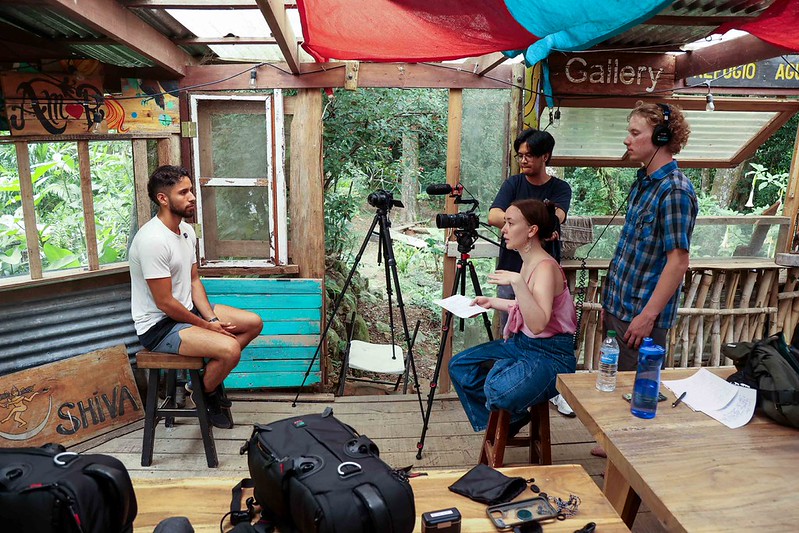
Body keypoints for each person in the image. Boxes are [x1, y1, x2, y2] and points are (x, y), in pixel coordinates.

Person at [129, 165, 263, 429]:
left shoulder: (187, 231)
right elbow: (164, 303)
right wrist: (206, 326)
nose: (192, 197)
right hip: (159, 326)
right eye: (183, 192)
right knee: (230, 349)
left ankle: (198, 385)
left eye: (191, 190)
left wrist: (211, 318)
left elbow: (193, 280)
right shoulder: (152, 240)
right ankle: (207, 393)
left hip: (188, 311)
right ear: (163, 199)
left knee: (253, 323)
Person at [448, 199, 577, 434]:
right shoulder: (528, 262)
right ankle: (513, 419)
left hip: (551, 354)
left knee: (496, 389)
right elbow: (528, 307)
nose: (503, 229)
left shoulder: (546, 268)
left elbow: (538, 324)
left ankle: (504, 418)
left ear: (531, 230)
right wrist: (493, 302)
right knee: (459, 366)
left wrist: (517, 282)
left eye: (510, 223)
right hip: (522, 345)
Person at [602, 102, 697, 371]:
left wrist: (647, 316)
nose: (626, 139)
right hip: (618, 311)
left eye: (634, 133)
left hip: (640, 320)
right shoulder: (643, 183)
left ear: (660, 137)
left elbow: (678, 262)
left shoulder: (674, 191)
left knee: (634, 399)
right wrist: (608, 307)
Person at [488, 128, 575, 417]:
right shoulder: (513, 183)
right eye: (520, 155)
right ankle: (515, 396)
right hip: (510, 269)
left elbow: (556, 218)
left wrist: (519, 218)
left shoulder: (560, 188)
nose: (523, 160)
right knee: (511, 334)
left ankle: (539, 386)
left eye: (529, 155)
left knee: (540, 328)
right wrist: (529, 220)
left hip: (541, 274)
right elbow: (492, 215)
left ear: (545, 156)